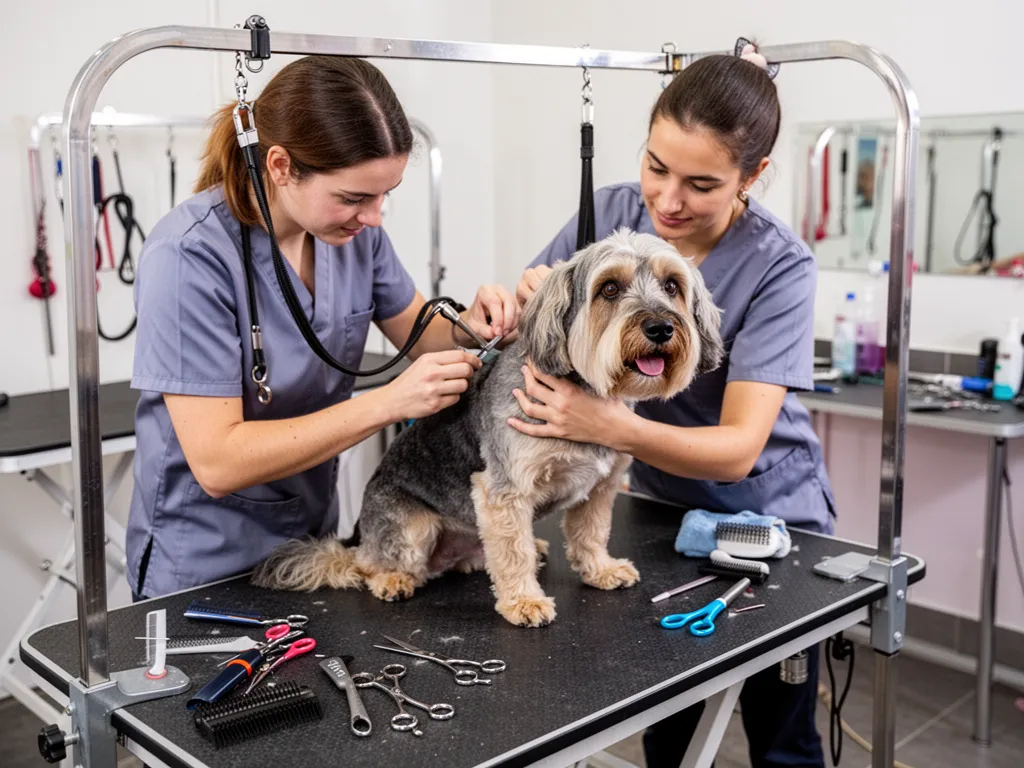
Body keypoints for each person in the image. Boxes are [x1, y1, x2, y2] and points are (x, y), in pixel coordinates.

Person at [514, 43, 834, 768]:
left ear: (752, 177)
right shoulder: (614, 214)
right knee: (673, 721)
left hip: (768, 514)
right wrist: (509, 299)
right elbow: (549, 319)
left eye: (699, 183)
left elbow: (739, 447)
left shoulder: (780, 264)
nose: (665, 200)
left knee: (781, 734)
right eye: (656, 167)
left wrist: (605, 425)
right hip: (661, 512)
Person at [126, 55, 520, 600]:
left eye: (386, 194)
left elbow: (421, 335)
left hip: (314, 540)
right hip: (205, 560)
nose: (374, 216)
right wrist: (389, 402)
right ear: (282, 166)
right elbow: (217, 460)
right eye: (354, 197)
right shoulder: (188, 256)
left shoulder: (354, 235)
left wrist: (471, 327)